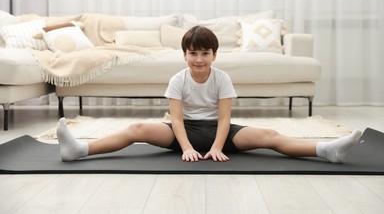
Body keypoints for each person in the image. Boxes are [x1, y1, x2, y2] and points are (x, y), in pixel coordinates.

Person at [57, 25, 362, 163]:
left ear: (215, 55)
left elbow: (226, 117)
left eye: (205, 53)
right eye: (193, 53)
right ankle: (80, 150)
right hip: (182, 133)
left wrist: (217, 147)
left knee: (270, 134)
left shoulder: (222, 78)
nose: (199, 59)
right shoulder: (178, 79)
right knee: (136, 128)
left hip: (221, 132)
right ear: (185, 55)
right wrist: (186, 148)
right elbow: (175, 120)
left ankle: (326, 150)